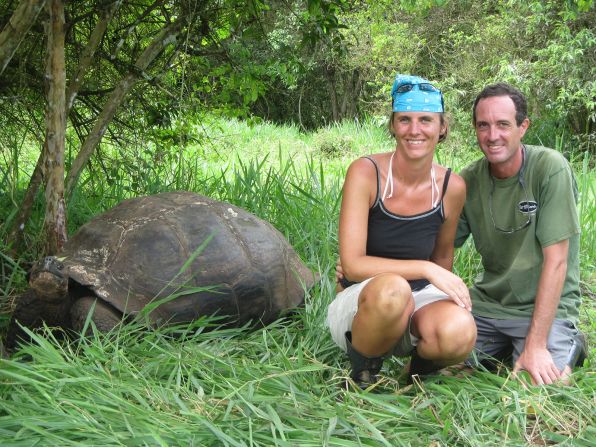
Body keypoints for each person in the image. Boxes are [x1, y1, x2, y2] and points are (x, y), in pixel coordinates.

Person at [326, 74, 477, 389]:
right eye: (404, 119)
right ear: (393, 125)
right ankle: (363, 374)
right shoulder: (366, 173)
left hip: (418, 297)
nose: (415, 130)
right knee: (393, 290)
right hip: (366, 303)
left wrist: (441, 287)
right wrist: (424, 268)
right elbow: (352, 264)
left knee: (461, 329)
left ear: (442, 127)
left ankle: (416, 373)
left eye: (426, 120)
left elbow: (443, 256)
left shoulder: (452, 187)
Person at [455, 83, 585, 385]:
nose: (492, 135)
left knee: (538, 385)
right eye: (483, 126)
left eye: (503, 124)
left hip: (544, 309)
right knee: (438, 364)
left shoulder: (549, 168)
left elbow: (557, 262)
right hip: (488, 305)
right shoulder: (469, 180)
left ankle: (566, 343)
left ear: (522, 126)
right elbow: (437, 246)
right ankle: (499, 348)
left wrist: (536, 345)